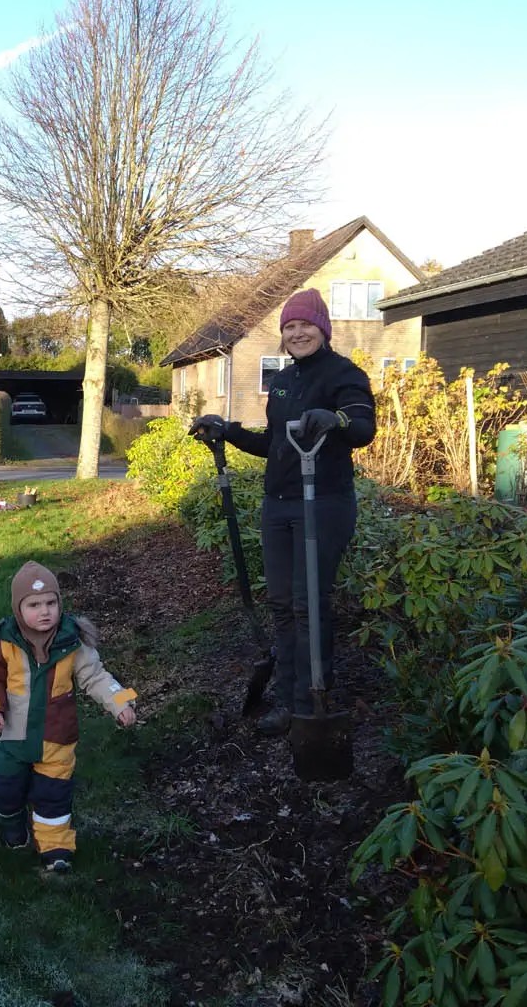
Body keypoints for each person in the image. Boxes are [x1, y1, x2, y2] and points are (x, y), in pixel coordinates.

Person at [190, 288, 375, 736]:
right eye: (289, 327)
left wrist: (338, 421)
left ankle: (314, 702)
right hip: (279, 505)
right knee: (282, 605)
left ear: (323, 328)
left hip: (323, 503)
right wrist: (228, 431)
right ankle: (292, 702)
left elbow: (363, 426)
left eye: (305, 325)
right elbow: (275, 445)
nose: (297, 333)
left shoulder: (344, 375)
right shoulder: (284, 381)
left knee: (308, 604)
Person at [0, 561, 138, 873]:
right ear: (18, 608)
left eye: (51, 603)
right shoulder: (6, 644)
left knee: (53, 797)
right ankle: (12, 825)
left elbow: (98, 677)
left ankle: (56, 850)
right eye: (34, 605)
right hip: (13, 737)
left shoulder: (72, 643)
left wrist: (121, 704)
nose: (44, 611)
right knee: (4, 791)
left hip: (57, 739)